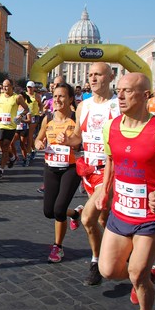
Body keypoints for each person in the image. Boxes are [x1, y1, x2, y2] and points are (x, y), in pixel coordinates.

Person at [95, 72, 155, 310]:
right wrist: (104, 192)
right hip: (120, 211)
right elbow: (111, 162)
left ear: (146, 95)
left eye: (128, 90)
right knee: (108, 270)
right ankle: (148, 273)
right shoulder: (111, 127)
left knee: (136, 274)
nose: (121, 95)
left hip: (151, 215)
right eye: (119, 90)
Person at [63, 62, 120, 285]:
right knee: (103, 218)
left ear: (110, 77)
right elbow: (79, 137)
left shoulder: (118, 106)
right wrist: (68, 141)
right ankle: (123, 252)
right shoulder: (83, 106)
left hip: (110, 171)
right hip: (88, 170)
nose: (93, 79)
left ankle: (96, 262)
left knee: (88, 218)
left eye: (98, 74)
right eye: (91, 75)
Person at [34, 83, 82, 263]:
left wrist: (69, 141)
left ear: (70, 99)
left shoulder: (76, 119)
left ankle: (57, 247)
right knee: (49, 211)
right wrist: (38, 144)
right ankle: (75, 214)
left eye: (62, 96)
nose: (57, 99)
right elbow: (38, 138)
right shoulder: (48, 118)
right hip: (51, 166)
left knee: (59, 209)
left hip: (71, 167)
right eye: (55, 96)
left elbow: (78, 144)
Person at [0, 79, 28, 180]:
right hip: (1, 125)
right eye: (3, 86)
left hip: (11, 127)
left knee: (6, 146)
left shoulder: (17, 97)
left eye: (7, 86)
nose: (4, 88)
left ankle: (0, 170)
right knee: (1, 146)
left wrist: (20, 116)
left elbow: (27, 109)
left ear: (12, 86)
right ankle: (12, 157)